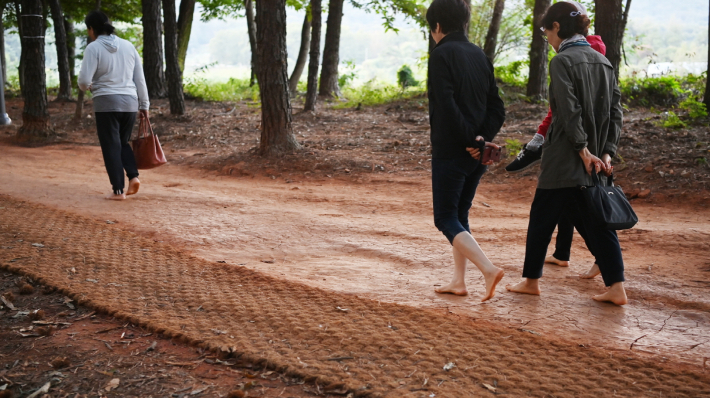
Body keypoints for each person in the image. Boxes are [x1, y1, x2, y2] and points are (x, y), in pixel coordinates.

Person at [506, 1, 627, 305]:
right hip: (595, 158)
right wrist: (607, 151)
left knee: (542, 217)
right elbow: (616, 112)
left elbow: (567, 112)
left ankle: (531, 281)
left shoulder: (561, 62)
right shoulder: (604, 61)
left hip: (566, 156)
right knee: (595, 221)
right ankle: (616, 287)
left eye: (547, 32)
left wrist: (582, 150)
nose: (547, 39)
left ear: (557, 27)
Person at [426, 0, 506, 302]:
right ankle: (458, 281)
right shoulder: (480, 55)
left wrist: (470, 142)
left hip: (452, 150)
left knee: (445, 218)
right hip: (477, 154)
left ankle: (487, 269)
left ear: (437, 26)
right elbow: (497, 107)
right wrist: (481, 142)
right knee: (459, 214)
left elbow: (446, 106)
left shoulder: (441, 54)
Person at [78, 11, 149, 200]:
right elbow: (139, 79)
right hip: (130, 103)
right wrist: (144, 104)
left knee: (110, 145)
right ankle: (133, 177)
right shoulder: (128, 46)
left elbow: (84, 81)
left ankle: (118, 191)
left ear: (91, 29)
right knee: (122, 142)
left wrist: (89, 87)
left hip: (106, 103)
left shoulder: (93, 48)